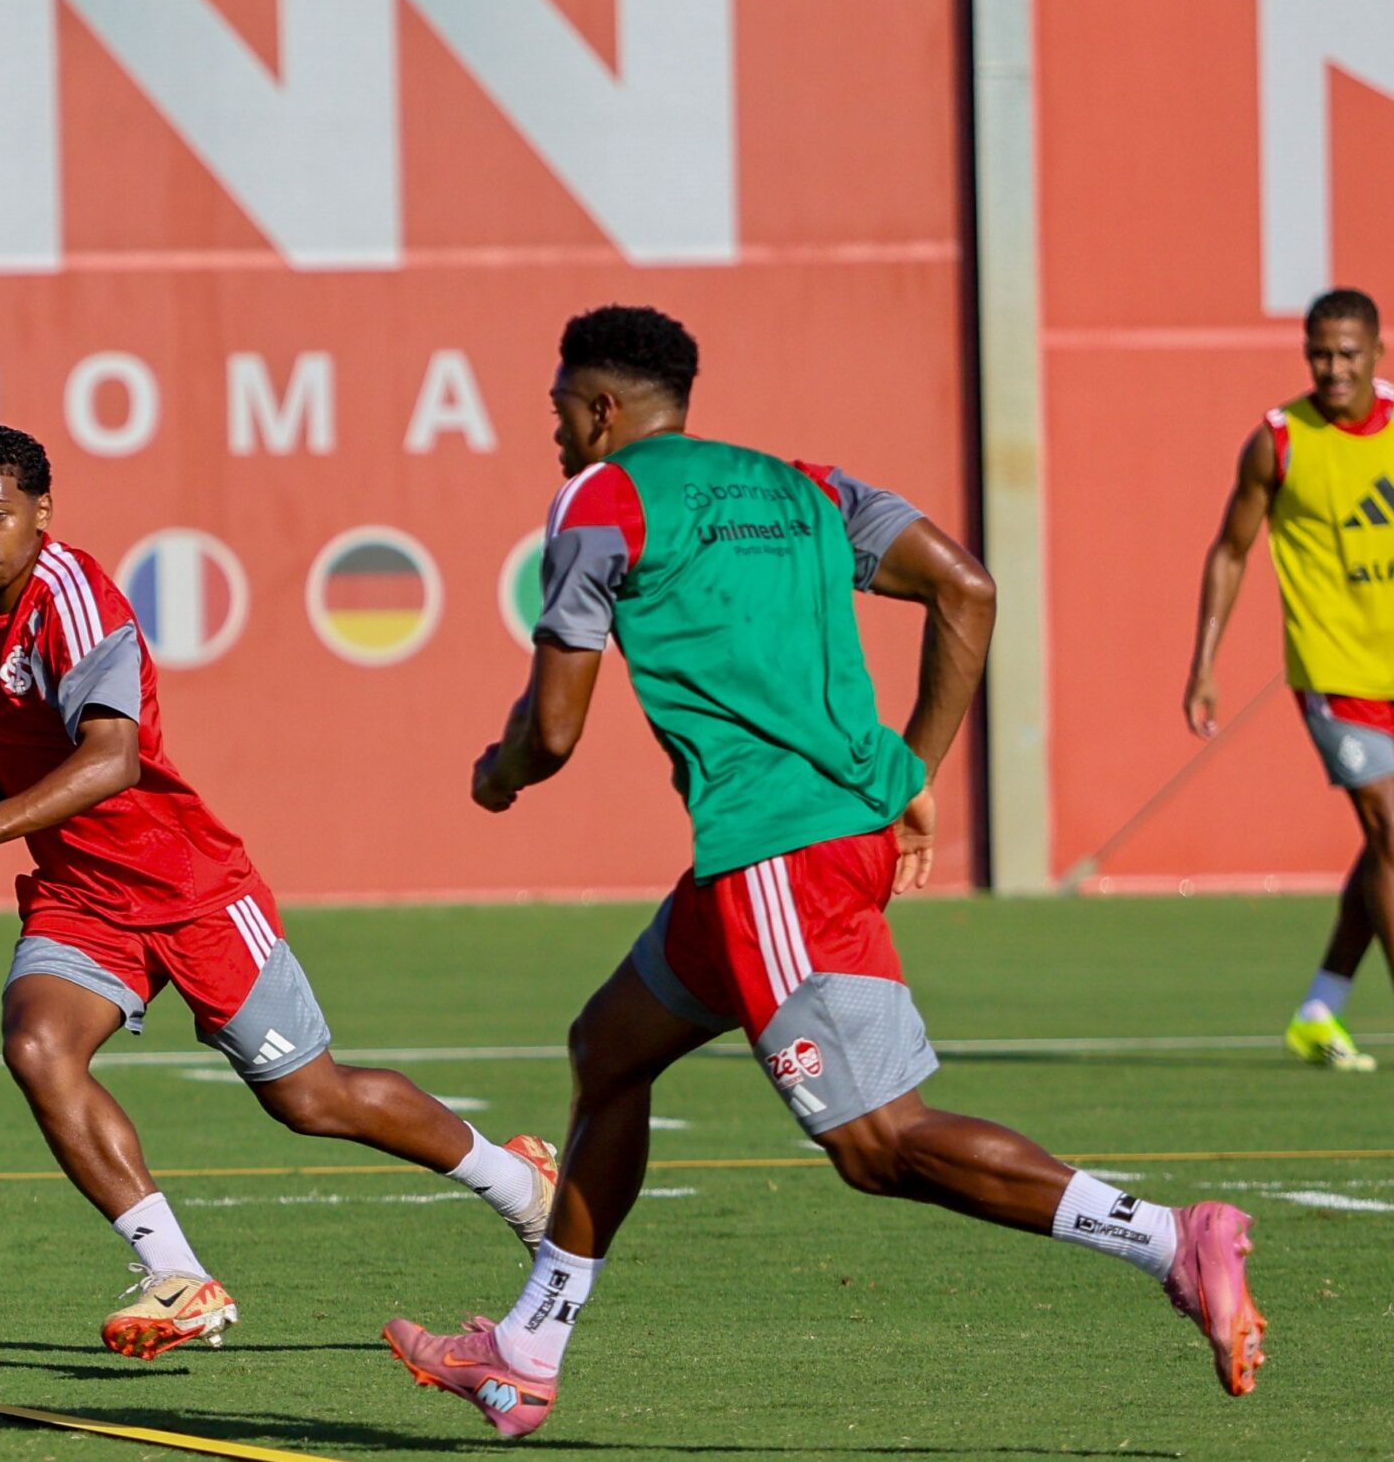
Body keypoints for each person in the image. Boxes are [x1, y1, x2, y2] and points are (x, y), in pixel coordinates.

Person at [383, 306, 1264, 1437]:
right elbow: (966, 587)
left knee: (877, 1143)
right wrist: (906, 772)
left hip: (775, 854)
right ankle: (525, 1350)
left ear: (601, 409)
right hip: (773, 854)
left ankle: (1168, 1242)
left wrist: (496, 775)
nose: (553, 432)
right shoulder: (802, 485)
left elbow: (550, 734)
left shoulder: (599, 498)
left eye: (559, 409)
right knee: (607, 1051)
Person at [0, 424, 557, 1359]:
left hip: (188, 885)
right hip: (82, 892)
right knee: (37, 1044)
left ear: (42, 513)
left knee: (310, 1098)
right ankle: (179, 1276)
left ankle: (516, 1182)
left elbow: (113, 759)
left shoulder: (78, 600)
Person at [1185, 286, 1394, 1073]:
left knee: (1384, 850)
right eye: (1319, 353)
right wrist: (1204, 662)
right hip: (1336, 676)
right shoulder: (1279, 441)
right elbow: (1230, 551)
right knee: (1392, 834)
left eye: (1347, 354)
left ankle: (1321, 1007)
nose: (1332, 368)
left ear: (1377, 352)